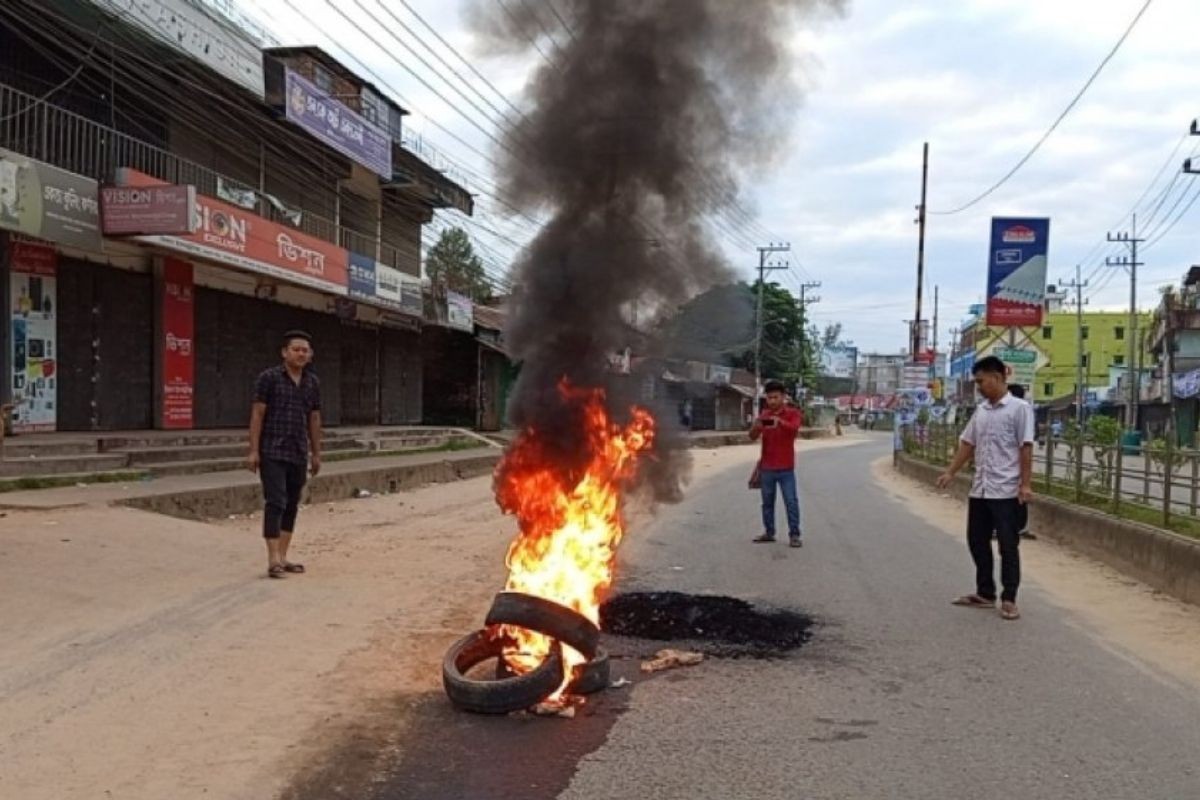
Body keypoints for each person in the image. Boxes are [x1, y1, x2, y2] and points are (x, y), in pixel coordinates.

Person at [937, 357, 1034, 621]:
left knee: (1008, 545)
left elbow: (1025, 447)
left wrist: (1025, 484)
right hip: (981, 488)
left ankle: (1009, 598)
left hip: (1006, 489)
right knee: (976, 540)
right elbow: (968, 444)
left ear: (997, 377)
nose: (979, 387)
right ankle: (985, 592)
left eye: (981, 381)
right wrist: (950, 472)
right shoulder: (981, 411)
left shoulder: (1019, 409)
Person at [247, 330, 322, 579]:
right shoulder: (268, 378)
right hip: (272, 450)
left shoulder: (312, 383)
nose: (300, 354)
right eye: (296, 349)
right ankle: (272, 559)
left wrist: (316, 453)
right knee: (276, 501)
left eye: (305, 350)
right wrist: (253, 450)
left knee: (291, 503)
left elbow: (314, 418)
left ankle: (283, 555)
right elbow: (257, 413)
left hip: (298, 450)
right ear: (284, 352)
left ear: (310, 355)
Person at [749, 380, 804, 547]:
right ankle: (769, 532)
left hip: (786, 467)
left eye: (775, 397)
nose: (772, 401)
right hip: (767, 467)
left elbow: (794, 429)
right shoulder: (764, 415)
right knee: (767, 503)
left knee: (791, 501)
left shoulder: (793, 413)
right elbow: (752, 436)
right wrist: (756, 426)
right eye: (769, 397)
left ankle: (794, 535)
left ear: (783, 397)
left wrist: (779, 422)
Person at [1007, 384, 1036, 541]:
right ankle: (1018, 527)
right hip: (1012, 462)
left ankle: (1018, 527)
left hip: (1014, 462)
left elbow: (1026, 444)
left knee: (1017, 495)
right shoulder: (1022, 410)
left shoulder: (1021, 410)